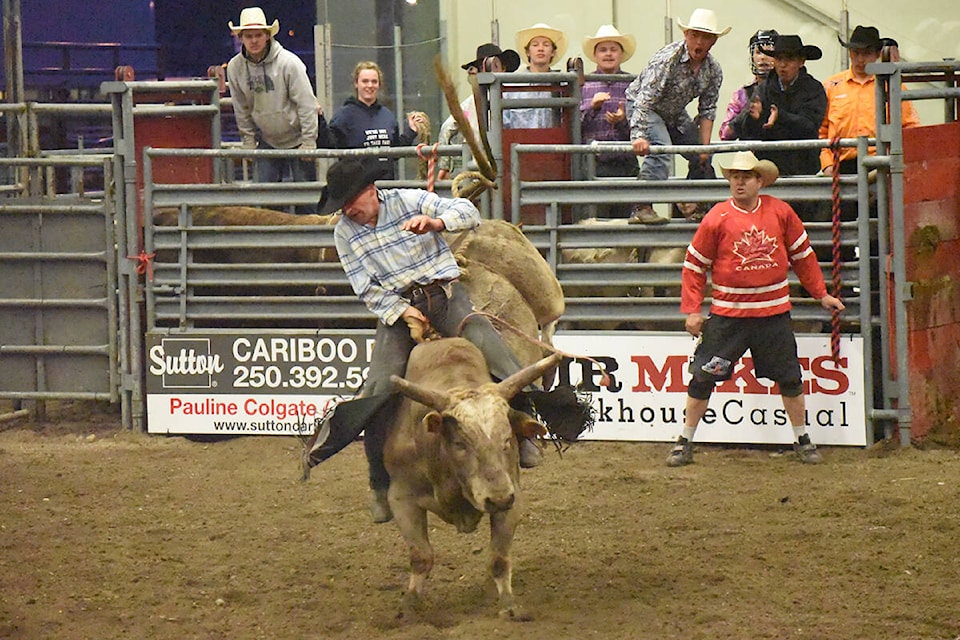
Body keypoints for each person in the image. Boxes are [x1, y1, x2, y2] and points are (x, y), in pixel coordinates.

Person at [306, 157, 544, 523]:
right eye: (343, 205)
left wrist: (436, 222)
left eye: (351, 201)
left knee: (501, 359)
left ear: (371, 191)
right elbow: (365, 288)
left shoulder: (407, 200)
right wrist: (403, 313)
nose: (348, 210)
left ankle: (525, 436)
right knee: (378, 390)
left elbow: (467, 211)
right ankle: (380, 483)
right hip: (399, 310)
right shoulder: (344, 233)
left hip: (446, 297)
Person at [666, 151, 845, 467]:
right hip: (728, 317)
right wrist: (692, 310)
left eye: (746, 176)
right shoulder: (716, 218)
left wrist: (821, 294)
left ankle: (802, 438)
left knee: (790, 377)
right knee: (702, 377)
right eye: (734, 176)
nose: (739, 182)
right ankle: (684, 440)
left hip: (772, 316)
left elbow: (803, 256)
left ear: (759, 181)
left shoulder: (780, 212)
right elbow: (694, 266)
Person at [626, 8, 728, 225]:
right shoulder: (667, 59)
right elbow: (644, 100)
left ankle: (695, 204)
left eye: (705, 37)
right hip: (645, 108)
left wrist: (704, 147)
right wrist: (639, 135)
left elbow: (707, 109)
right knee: (661, 151)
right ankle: (641, 205)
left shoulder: (714, 69)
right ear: (686, 36)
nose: (699, 42)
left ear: (713, 41)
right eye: (694, 35)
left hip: (673, 113)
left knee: (702, 155)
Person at [226, 7, 319, 191]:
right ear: (241, 38)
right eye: (249, 36)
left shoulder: (289, 63)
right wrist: (249, 141)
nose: (253, 40)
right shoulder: (234, 67)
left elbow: (306, 103)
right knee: (265, 198)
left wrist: (309, 140)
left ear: (267, 35)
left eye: (258, 35)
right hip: (267, 139)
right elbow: (240, 108)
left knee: (306, 199)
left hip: (298, 139)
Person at [819, 25, 920, 179]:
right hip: (841, 164)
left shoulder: (892, 86)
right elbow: (821, 130)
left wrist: (894, 159)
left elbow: (909, 128)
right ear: (849, 53)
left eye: (866, 53)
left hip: (881, 163)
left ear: (877, 54)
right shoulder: (831, 86)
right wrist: (827, 164)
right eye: (856, 53)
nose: (860, 59)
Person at [726, 34, 827, 181]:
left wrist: (780, 117)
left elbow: (810, 125)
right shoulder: (764, 89)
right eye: (779, 59)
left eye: (789, 59)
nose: (783, 65)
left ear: (801, 62)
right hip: (768, 169)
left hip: (803, 168)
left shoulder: (813, 89)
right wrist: (753, 119)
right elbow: (747, 133)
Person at [319, 61, 426, 180]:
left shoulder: (387, 115)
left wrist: (411, 131)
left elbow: (394, 152)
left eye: (374, 81)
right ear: (356, 83)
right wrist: (319, 119)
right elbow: (327, 145)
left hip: (386, 188)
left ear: (379, 84)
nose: (370, 85)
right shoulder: (344, 116)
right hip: (356, 189)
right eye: (365, 81)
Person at [437, 43, 521, 180]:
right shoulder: (471, 105)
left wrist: (445, 166)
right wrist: (445, 165)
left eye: (494, 66)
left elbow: (447, 128)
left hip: (509, 167)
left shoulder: (513, 98)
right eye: (486, 67)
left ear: (503, 69)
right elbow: (448, 128)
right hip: (481, 170)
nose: (490, 71)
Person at [580, 24, 638, 218]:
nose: (608, 54)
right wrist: (593, 109)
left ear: (621, 54)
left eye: (613, 49)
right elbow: (575, 126)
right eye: (603, 50)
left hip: (626, 161)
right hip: (594, 163)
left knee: (626, 221)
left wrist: (623, 121)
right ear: (595, 55)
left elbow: (643, 125)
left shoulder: (633, 84)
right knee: (597, 218)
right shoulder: (583, 84)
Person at [502, 23, 568, 129]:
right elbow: (503, 123)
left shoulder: (563, 85)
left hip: (553, 143)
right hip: (519, 143)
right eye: (535, 45)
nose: (540, 49)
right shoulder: (512, 85)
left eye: (546, 45)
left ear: (553, 52)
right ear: (528, 52)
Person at [719, 29, 778, 141]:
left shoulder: (787, 88)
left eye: (768, 52)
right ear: (752, 56)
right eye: (758, 52)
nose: (762, 57)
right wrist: (747, 110)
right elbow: (725, 134)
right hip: (749, 155)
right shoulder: (742, 93)